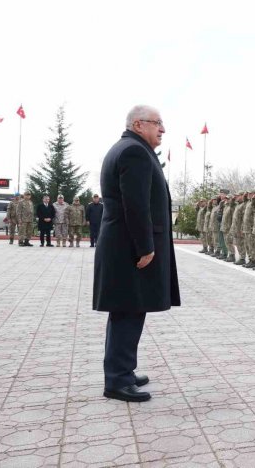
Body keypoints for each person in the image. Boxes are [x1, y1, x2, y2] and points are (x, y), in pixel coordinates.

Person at [94, 105, 180, 402]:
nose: (163, 129)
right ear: (139, 124)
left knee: (128, 309)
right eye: (158, 123)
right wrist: (145, 246)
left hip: (123, 245)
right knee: (128, 310)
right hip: (129, 248)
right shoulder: (134, 152)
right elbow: (136, 205)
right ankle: (117, 380)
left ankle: (123, 371)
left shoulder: (129, 148)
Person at [242, 192, 255, 267]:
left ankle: (253, 261)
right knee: (247, 245)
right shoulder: (248, 202)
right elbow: (244, 199)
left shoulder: (254, 202)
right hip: (246, 227)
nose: (249, 195)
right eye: (248, 194)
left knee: (252, 245)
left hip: (251, 227)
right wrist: (245, 195)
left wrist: (254, 197)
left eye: (251, 194)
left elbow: (254, 201)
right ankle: (250, 259)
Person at [232, 192, 248, 265]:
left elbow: (244, 218)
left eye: (237, 196)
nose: (236, 197)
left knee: (241, 243)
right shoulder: (237, 205)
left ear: (242, 196)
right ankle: (241, 257)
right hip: (236, 227)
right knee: (238, 243)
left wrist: (242, 228)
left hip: (240, 228)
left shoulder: (243, 205)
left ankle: (242, 258)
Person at [221, 190, 236, 262]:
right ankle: (230, 254)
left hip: (229, 227)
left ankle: (232, 255)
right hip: (224, 227)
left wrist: (232, 227)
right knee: (226, 242)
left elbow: (233, 217)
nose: (226, 200)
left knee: (229, 241)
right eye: (226, 199)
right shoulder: (225, 206)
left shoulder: (232, 207)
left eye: (228, 199)